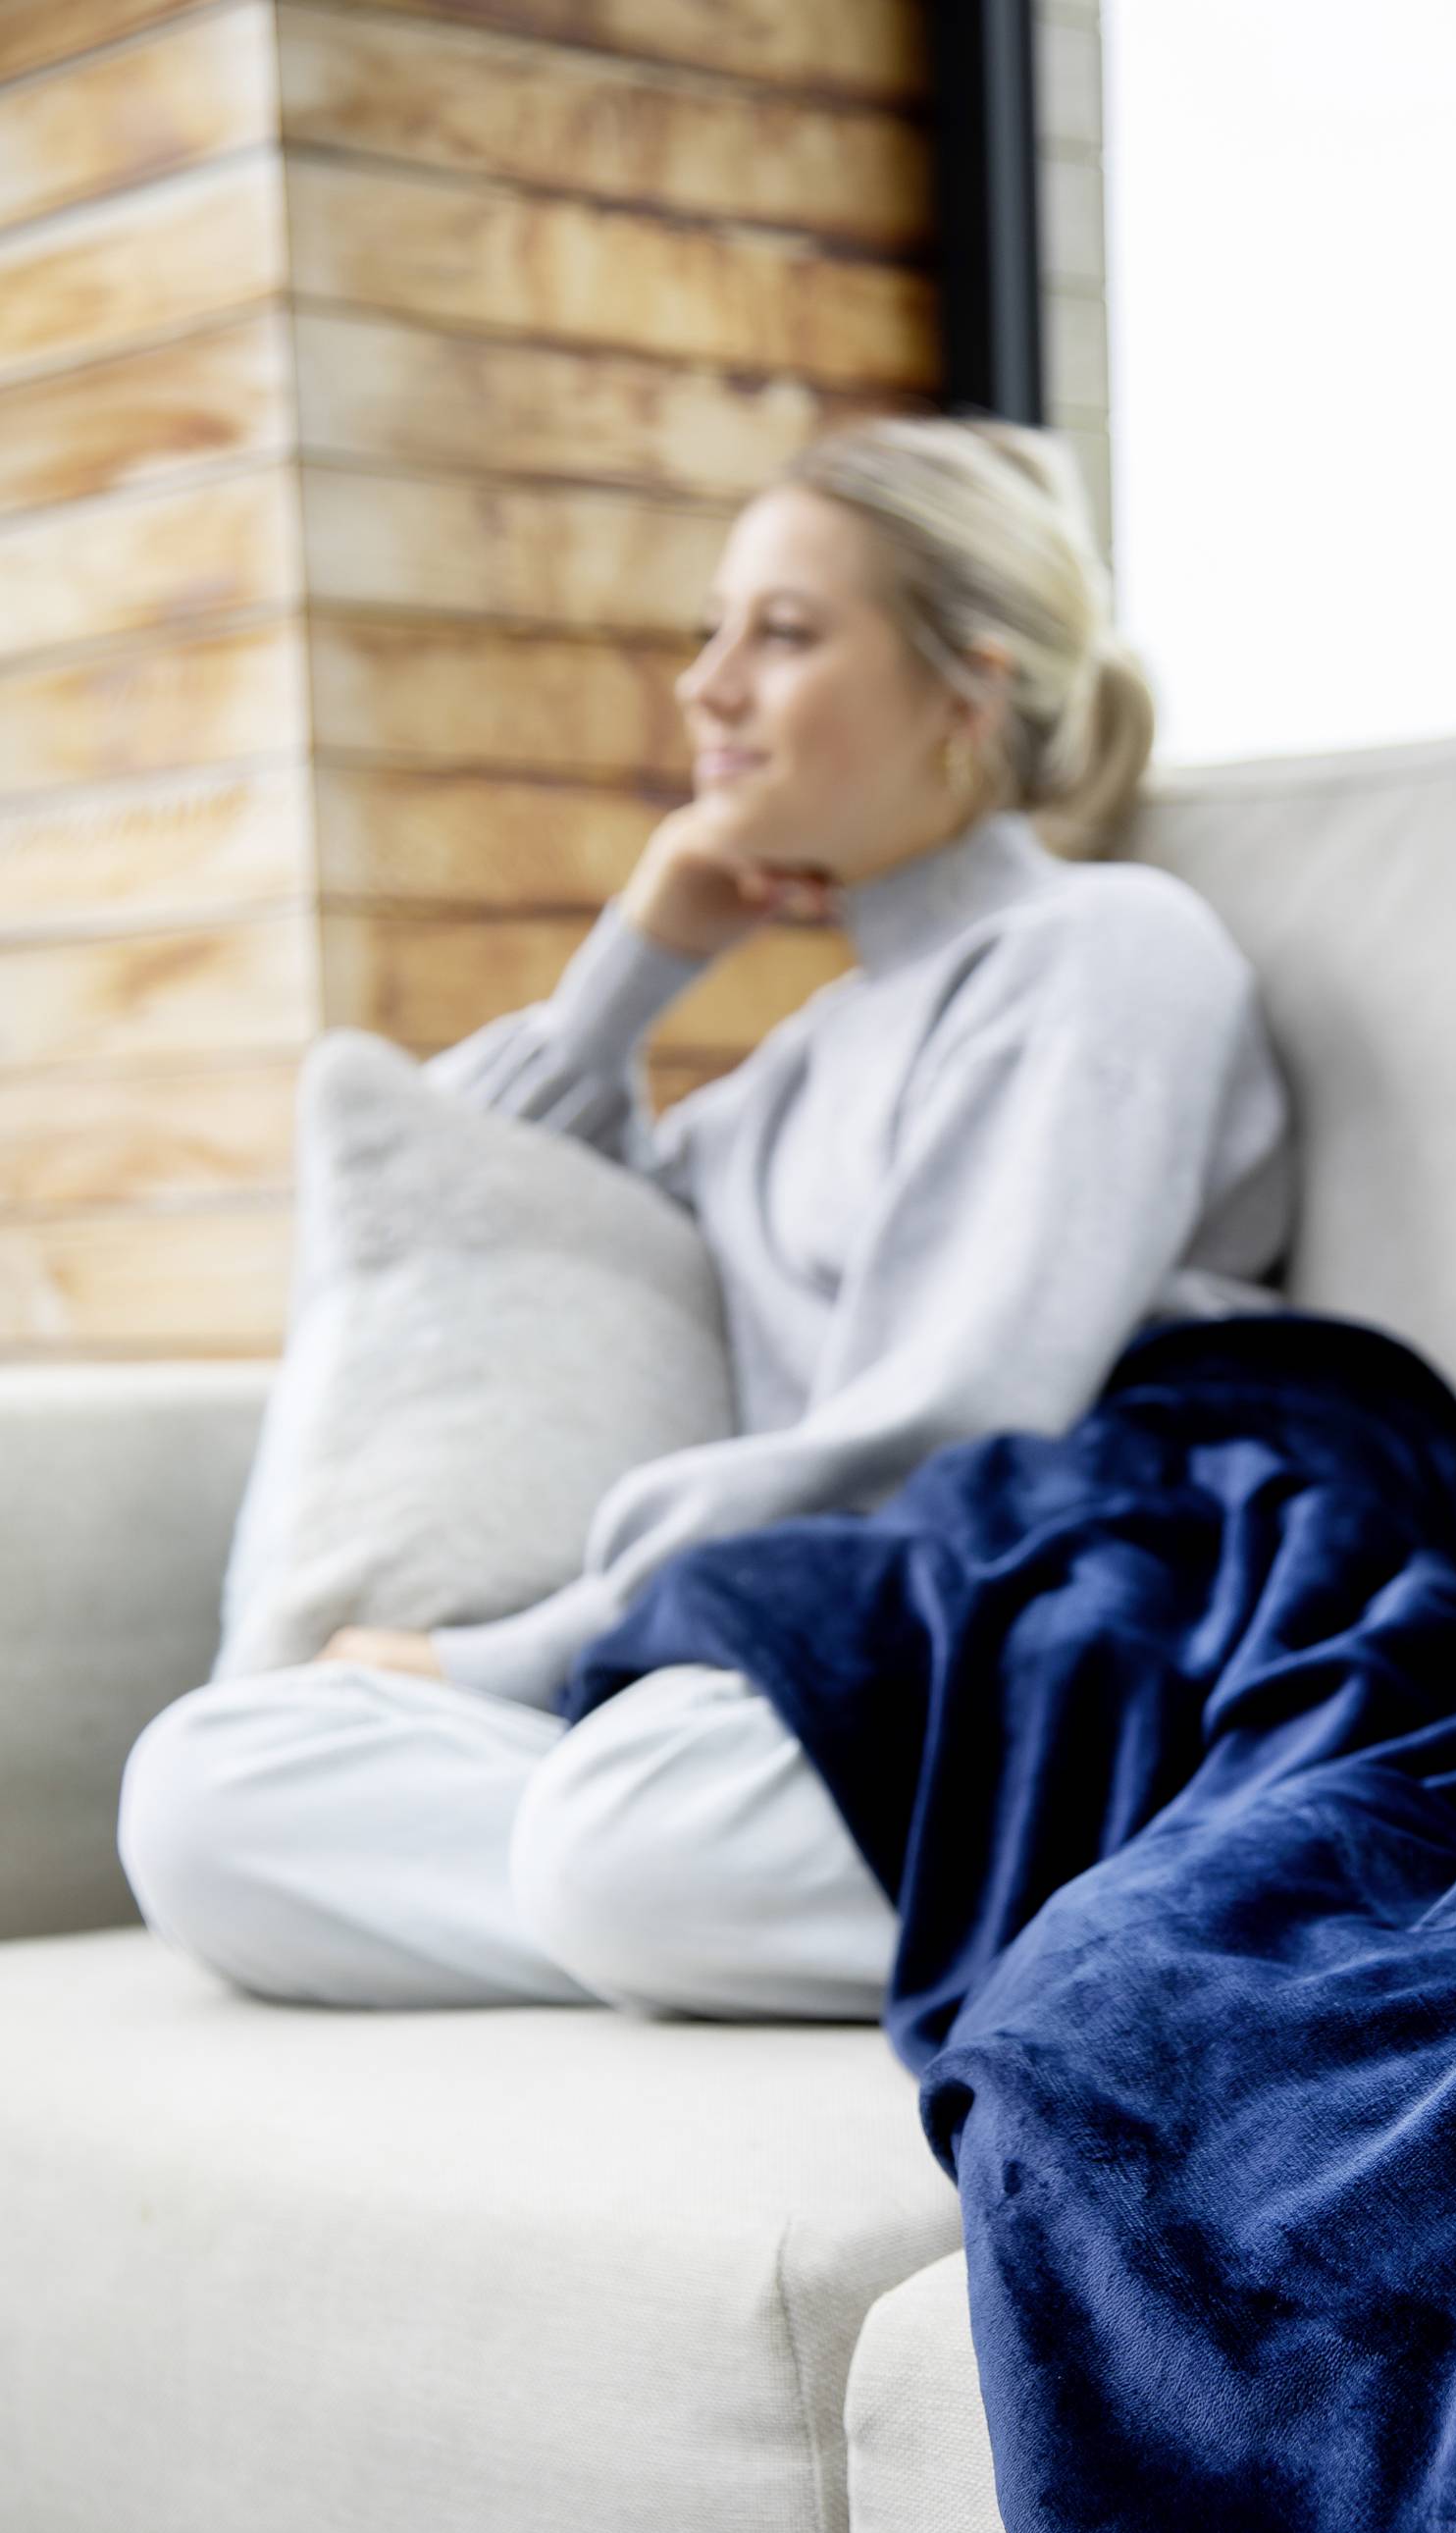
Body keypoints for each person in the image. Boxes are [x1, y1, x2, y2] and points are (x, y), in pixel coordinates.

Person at [117, 414, 1299, 2022]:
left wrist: (519, 1657)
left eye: (785, 634)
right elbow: (465, 1185)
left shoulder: (1104, 952)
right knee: (203, 1793)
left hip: (1036, 1625)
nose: (707, 686)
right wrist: (637, 961)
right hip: (774, 1667)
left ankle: (944, 1892)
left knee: (637, 1832)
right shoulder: (792, 1072)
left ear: (968, 692)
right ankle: (715, 1907)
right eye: (710, 631)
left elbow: (957, 1426)